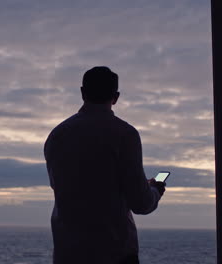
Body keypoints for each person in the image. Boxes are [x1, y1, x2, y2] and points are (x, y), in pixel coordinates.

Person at [44, 66, 166, 264]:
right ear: (116, 97)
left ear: (82, 93)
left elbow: (61, 187)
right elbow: (140, 203)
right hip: (114, 252)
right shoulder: (125, 135)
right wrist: (154, 190)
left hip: (68, 252)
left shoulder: (58, 135)